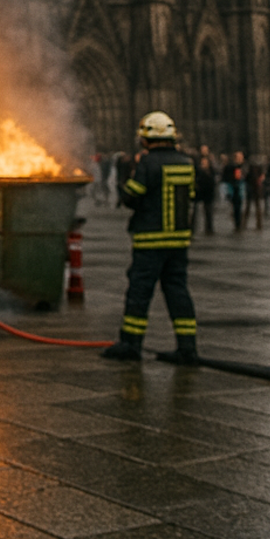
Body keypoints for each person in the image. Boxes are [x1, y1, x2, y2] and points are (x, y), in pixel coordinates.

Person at [102, 111, 199, 365]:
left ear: (146, 138)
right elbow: (191, 194)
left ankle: (131, 343)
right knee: (178, 291)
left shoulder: (147, 163)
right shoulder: (186, 162)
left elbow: (132, 196)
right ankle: (187, 346)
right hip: (178, 240)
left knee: (140, 291)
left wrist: (125, 184)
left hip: (150, 240)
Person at [191, 147, 217, 234]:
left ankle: (209, 228)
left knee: (208, 211)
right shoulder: (197, 162)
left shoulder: (211, 163)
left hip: (208, 191)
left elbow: (213, 177)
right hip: (199, 190)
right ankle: (193, 228)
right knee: (195, 211)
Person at [221, 151, 246, 232]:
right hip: (234, 188)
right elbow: (225, 177)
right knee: (236, 207)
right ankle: (237, 223)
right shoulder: (230, 166)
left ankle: (239, 222)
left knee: (240, 206)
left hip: (242, 187)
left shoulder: (244, 166)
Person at [243, 155, 265, 230]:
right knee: (255, 206)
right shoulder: (258, 167)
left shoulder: (249, 167)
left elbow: (245, 177)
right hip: (254, 187)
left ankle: (245, 223)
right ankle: (258, 223)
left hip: (252, 187)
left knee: (250, 206)